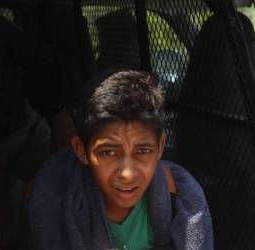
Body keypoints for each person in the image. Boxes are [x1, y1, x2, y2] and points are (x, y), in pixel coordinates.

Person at [26, 70, 213, 250]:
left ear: (161, 146)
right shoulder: (55, 204)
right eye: (108, 153)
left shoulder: (181, 200)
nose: (127, 174)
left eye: (143, 150)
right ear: (81, 150)